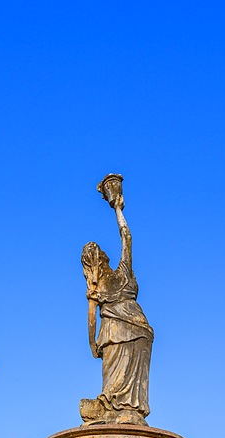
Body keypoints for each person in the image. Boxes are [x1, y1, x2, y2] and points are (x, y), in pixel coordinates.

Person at [80, 175, 153, 424]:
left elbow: (91, 317)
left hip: (113, 329)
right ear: (105, 258)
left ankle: (116, 408)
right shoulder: (123, 271)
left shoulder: (96, 284)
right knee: (126, 381)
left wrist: (91, 343)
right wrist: (118, 210)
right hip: (138, 326)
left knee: (112, 380)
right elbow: (127, 237)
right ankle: (128, 410)